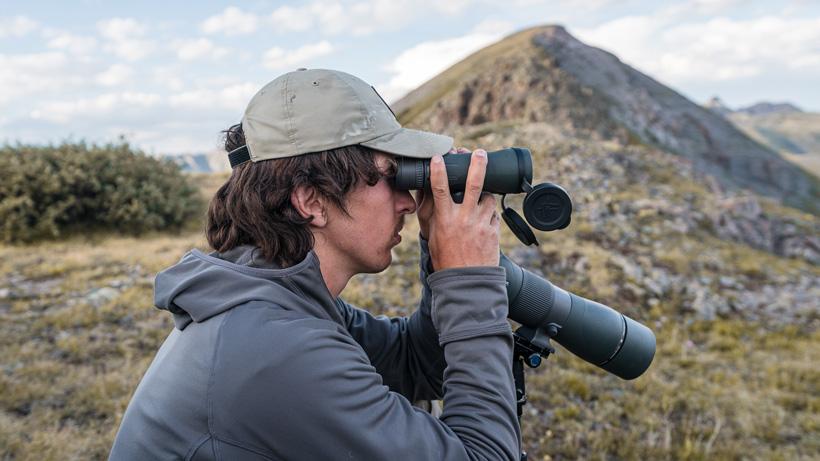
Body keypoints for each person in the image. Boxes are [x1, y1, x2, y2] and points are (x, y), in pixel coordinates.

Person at [109, 68, 520, 460]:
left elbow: (414, 362)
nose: (408, 202)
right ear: (311, 201)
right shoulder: (276, 349)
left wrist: (441, 250)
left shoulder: (277, 301)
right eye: (389, 177)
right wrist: (469, 280)